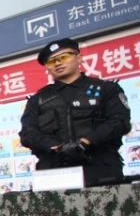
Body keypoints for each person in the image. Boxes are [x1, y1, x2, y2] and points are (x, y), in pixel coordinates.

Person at [19, 38, 131, 187]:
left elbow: (119, 121)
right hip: (55, 171)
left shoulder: (106, 89)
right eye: (51, 61)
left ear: (79, 58)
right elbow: (27, 133)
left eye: (63, 57)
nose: (58, 63)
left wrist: (84, 143)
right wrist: (56, 147)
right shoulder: (37, 99)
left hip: (100, 168)